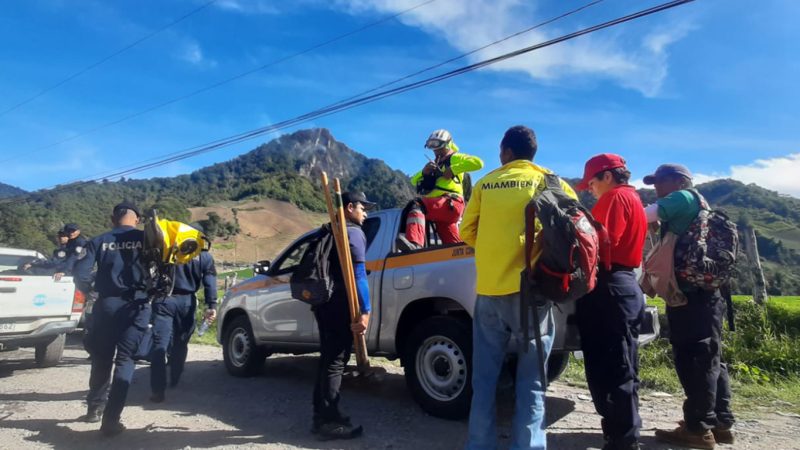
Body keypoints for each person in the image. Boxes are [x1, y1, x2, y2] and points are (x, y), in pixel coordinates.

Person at [460, 125, 575, 450]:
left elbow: (466, 232)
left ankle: (479, 445)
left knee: (483, 380)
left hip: (489, 291)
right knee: (532, 381)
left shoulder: (486, 182)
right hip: (533, 294)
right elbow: (574, 232)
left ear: (507, 152)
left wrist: (492, 246)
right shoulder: (551, 181)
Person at [643, 164, 735, 450]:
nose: (656, 188)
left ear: (679, 181)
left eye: (660, 182)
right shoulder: (697, 205)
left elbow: (642, 215)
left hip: (690, 296)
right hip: (709, 294)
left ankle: (698, 429)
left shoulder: (683, 198)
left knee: (693, 358)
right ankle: (720, 423)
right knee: (710, 358)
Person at [574, 154, 647, 450]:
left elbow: (602, 242)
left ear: (607, 176)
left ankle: (623, 440)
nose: (590, 189)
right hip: (626, 283)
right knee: (622, 363)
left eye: (592, 182)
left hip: (609, 285)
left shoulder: (614, 198)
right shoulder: (634, 199)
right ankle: (621, 433)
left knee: (611, 365)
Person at [73, 201, 150, 437]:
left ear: (112, 218)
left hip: (106, 304)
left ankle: (94, 408)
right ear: (136, 219)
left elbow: (80, 273)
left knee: (101, 358)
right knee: (125, 361)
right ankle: (111, 419)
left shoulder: (97, 241)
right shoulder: (147, 239)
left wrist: (92, 290)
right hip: (135, 305)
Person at [311, 191, 374, 441]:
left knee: (328, 360)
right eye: (362, 208)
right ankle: (328, 422)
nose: (365, 213)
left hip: (324, 302)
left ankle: (323, 415)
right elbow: (358, 274)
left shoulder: (329, 230)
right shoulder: (354, 233)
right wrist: (365, 310)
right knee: (336, 362)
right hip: (340, 304)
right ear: (349, 207)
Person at [150, 245, 218, 402]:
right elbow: (210, 282)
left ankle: (157, 390)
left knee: (159, 344)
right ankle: (175, 376)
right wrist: (212, 305)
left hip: (164, 299)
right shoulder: (204, 256)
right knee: (181, 342)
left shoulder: (167, 249)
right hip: (187, 301)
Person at [401, 129, 483, 249]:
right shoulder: (435, 163)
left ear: (447, 144)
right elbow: (413, 180)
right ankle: (462, 256)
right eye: (433, 148)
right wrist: (424, 171)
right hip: (443, 209)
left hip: (450, 203)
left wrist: (453, 169)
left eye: (439, 147)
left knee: (417, 205)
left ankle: (414, 243)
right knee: (453, 246)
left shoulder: (454, 157)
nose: (436, 151)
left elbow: (478, 163)